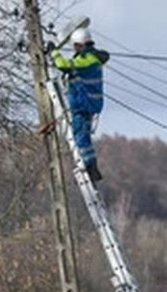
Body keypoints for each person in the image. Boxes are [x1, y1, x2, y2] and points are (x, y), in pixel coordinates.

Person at [48, 28, 110, 182]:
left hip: (83, 104)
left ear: (80, 44)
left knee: (80, 136)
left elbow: (63, 64)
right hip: (87, 103)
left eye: (76, 46)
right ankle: (91, 166)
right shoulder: (91, 58)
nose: (75, 49)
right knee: (82, 135)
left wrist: (54, 52)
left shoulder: (86, 59)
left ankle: (89, 167)